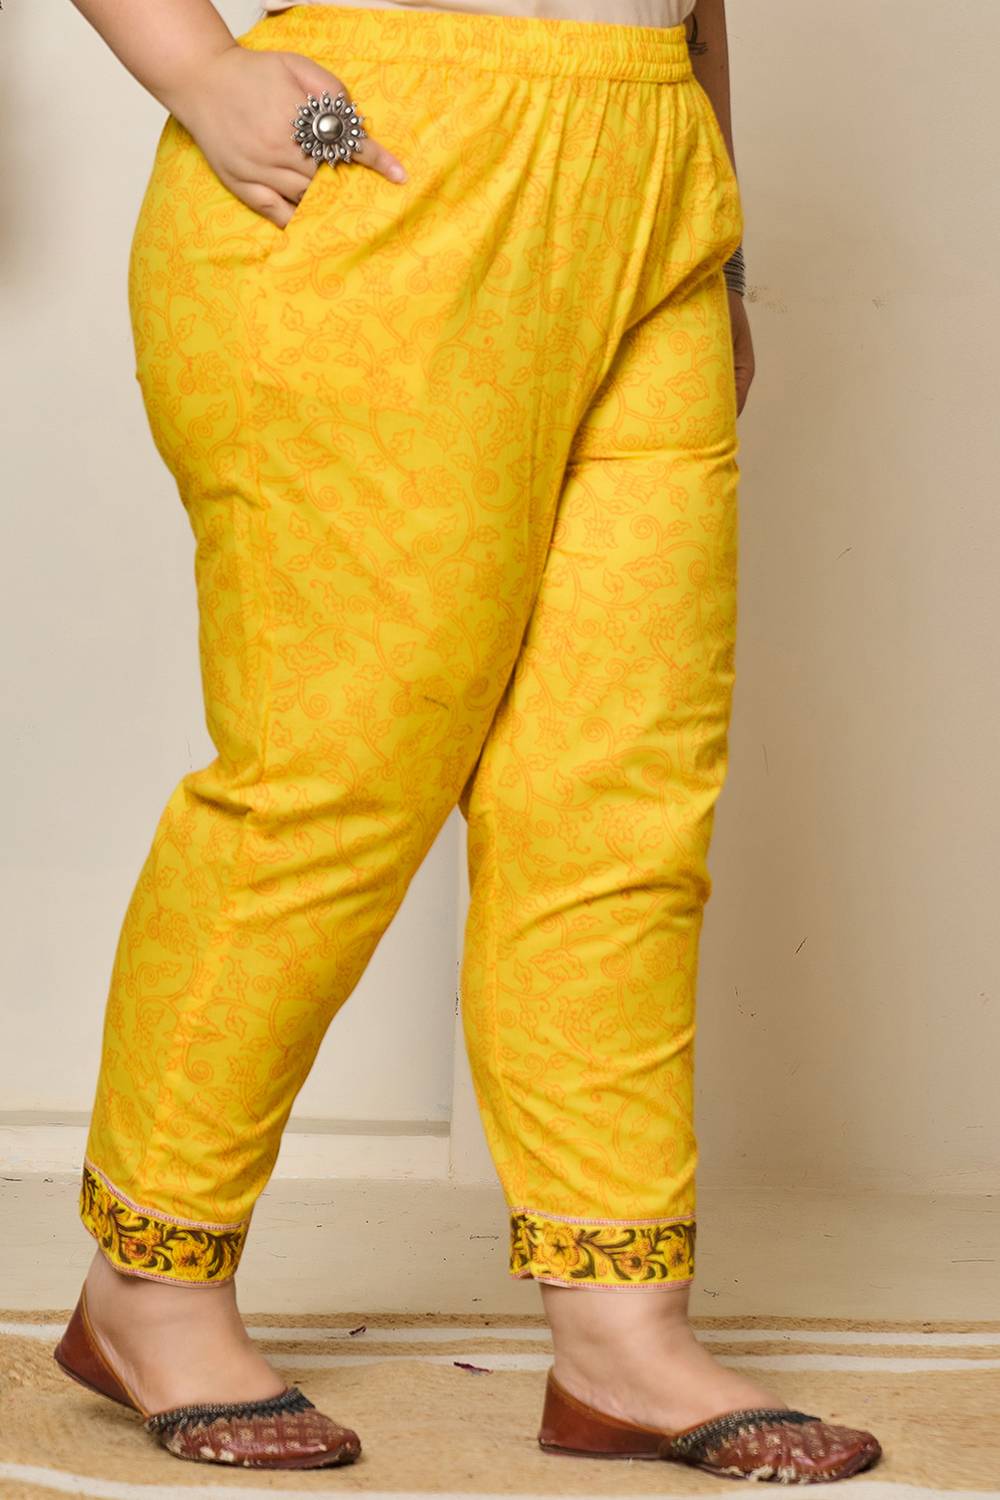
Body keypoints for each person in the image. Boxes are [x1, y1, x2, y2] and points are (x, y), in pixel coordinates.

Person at [52, 0, 881, 1481]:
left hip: (658, 170)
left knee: (619, 794)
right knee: (331, 776)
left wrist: (721, 241)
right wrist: (197, 69)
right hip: (384, 159)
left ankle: (622, 1333)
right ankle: (148, 1284)